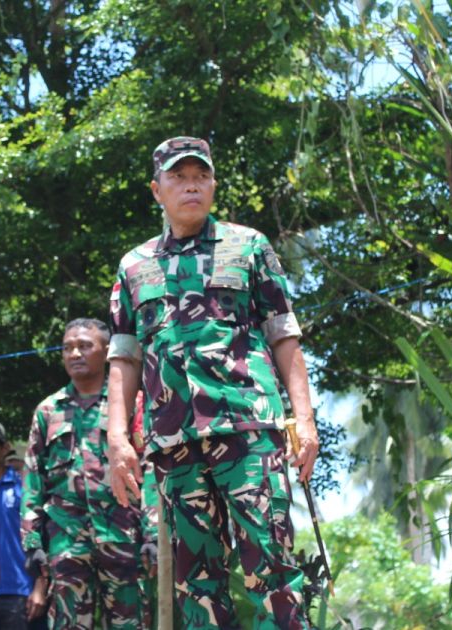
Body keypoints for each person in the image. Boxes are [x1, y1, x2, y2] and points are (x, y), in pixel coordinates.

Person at [106, 136, 319, 629]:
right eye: (178, 178)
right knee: (195, 585)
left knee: (271, 566)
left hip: (248, 430)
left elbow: (284, 336)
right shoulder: (134, 266)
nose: (191, 187)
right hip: (174, 441)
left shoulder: (249, 246)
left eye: (200, 176)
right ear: (157, 190)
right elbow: (124, 358)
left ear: (214, 185)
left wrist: (304, 419)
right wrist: (117, 437)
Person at [22, 318, 149, 629]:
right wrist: (32, 542)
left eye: (84, 346)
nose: (75, 353)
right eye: (67, 348)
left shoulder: (130, 405)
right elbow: (33, 481)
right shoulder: (48, 411)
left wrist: (153, 534)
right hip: (66, 541)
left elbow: (151, 472)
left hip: (123, 537)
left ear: (106, 352)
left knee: (130, 624)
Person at [0, 421, 48, 629]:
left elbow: (39, 535)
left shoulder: (22, 487)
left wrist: (40, 586)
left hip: (20, 590)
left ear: (5, 448)